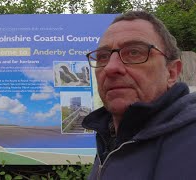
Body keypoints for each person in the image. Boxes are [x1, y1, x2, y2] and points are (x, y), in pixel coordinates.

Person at [82, 11, 196, 180]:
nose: (110, 68)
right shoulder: (110, 137)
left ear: (171, 72)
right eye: (103, 56)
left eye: (134, 52)